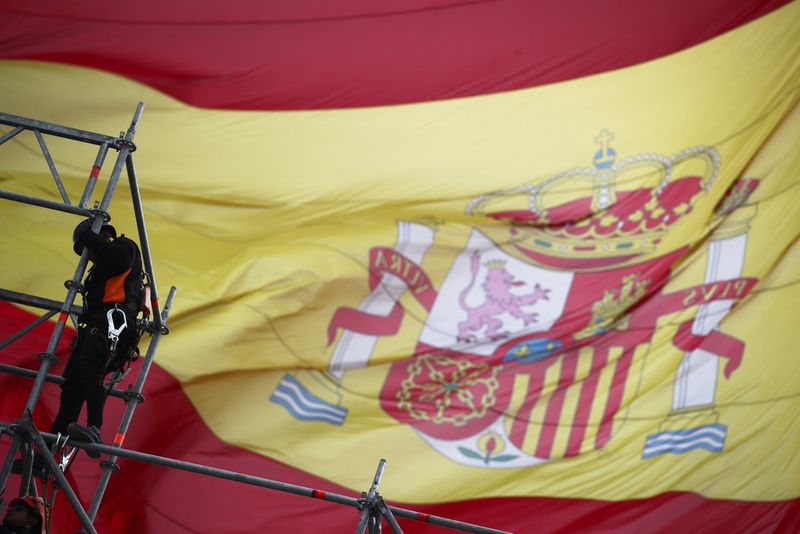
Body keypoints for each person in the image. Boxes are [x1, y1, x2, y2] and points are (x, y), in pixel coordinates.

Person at [51, 218, 144, 455]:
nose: (89, 256)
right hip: (97, 324)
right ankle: (49, 452)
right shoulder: (100, 268)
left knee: (90, 368)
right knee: (72, 386)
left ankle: (94, 426)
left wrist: (91, 237)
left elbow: (118, 261)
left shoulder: (124, 247)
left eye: (86, 249)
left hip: (113, 321)